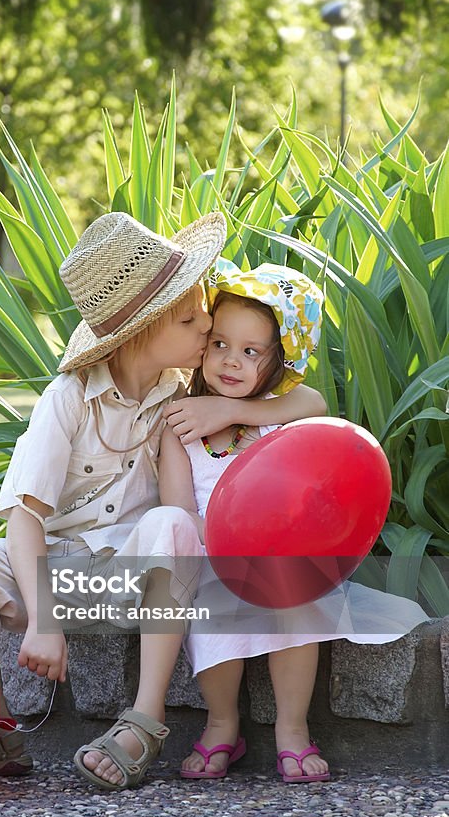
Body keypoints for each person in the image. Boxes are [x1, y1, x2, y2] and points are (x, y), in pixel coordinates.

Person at [0, 213, 327, 792]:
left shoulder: (181, 397)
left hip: (141, 577)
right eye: (190, 319)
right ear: (142, 331)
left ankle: (143, 720)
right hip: (61, 572)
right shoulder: (68, 399)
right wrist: (43, 618)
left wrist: (235, 410)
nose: (206, 324)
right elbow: (25, 516)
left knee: (170, 522)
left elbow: (307, 400)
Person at [159, 260, 429, 783]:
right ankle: (222, 724)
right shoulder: (182, 424)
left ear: (278, 362)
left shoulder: (277, 410)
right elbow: (180, 512)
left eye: (250, 351)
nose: (230, 361)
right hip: (214, 554)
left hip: (279, 555)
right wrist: (209, 412)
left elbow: (316, 402)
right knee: (209, 612)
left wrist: (234, 411)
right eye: (219, 344)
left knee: (299, 604)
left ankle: (293, 729)